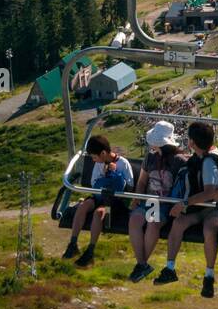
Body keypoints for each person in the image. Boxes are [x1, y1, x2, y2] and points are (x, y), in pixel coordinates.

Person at [153, 122, 218, 297]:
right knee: (178, 224)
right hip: (201, 206)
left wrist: (184, 204)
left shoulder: (209, 163)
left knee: (209, 230)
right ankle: (170, 268)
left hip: (213, 208)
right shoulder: (203, 157)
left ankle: (209, 275)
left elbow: (210, 192)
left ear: (192, 142)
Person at [64, 135, 133, 267]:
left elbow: (129, 185)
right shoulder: (99, 164)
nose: (94, 161)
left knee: (98, 213)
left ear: (103, 153)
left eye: (95, 157)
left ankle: (90, 250)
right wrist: (103, 175)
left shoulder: (123, 164)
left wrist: (115, 173)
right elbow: (94, 183)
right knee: (83, 206)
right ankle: (73, 243)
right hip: (99, 195)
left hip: (114, 202)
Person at [127, 121, 183, 283]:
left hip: (165, 203)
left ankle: (142, 264)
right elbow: (142, 181)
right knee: (134, 220)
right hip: (149, 200)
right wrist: (137, 198)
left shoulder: (179, 161)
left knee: (152, 222)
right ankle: (142, 263)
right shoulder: (150, 157)